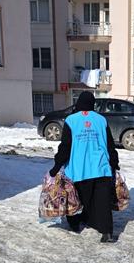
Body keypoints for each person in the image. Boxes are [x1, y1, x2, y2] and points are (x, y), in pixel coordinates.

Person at [50, 91, 119, 243]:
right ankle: (106, 232)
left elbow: (65, 147)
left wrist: (57, 165)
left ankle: (75, 224)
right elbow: (110, 145)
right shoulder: (101, 120)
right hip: (101, 168)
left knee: (77, 198)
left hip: (79, 169)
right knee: (101, 201)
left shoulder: (71, 120)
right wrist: (114, 163)